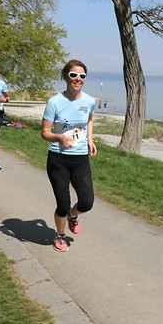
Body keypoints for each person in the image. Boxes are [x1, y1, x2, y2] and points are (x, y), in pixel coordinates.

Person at [41, 60, 97, 251]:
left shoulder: (89, 101)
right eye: (73, 75)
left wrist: (90, 140)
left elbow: (89, 119)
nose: (78, 79)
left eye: (82, 76)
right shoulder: (54, 102)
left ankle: (73, 215)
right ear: (66, 77)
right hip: (58, 159)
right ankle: (59, 234)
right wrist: (59, 137)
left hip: (80, 158)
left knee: (87, 202)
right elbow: (45, 133)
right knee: (62, 204)